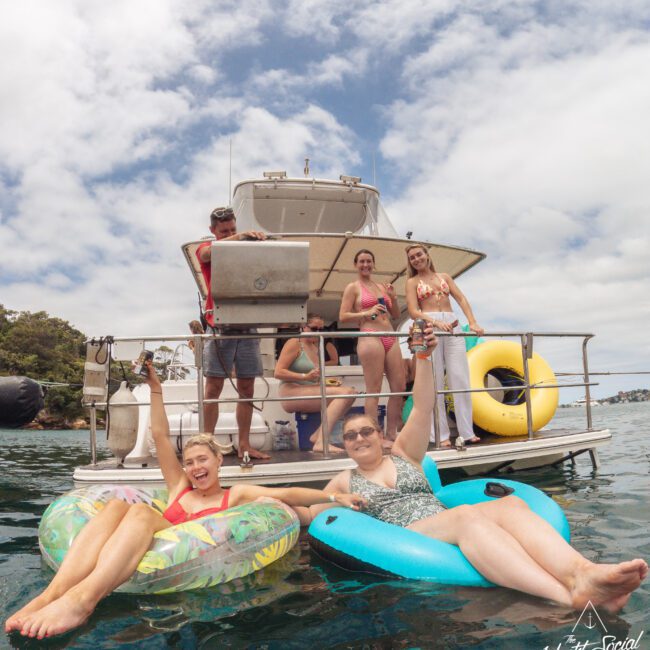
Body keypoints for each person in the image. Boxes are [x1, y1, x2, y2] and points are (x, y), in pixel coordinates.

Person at [299, 325, 648, 613]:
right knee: (466, 516)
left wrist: (423, 358)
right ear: (344, 444)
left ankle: (582, 572)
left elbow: (422, 407)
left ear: (378, 434)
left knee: (510, 504)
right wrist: (262, 502)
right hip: (407, 532)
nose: (359, 438)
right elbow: (310, 511)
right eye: (349, 435)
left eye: (365, 431)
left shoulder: (404, 454)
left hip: (438, 519)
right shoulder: (344, 479)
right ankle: (567, 597)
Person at [5, 363, 366, 640]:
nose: (195, 468)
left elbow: (285, 495)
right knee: (117, 506)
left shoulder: (233, 495)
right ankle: (51, 595)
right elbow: (160, 435)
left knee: (142, 515)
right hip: (145, 539)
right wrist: (156, 388)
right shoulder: (179, 487)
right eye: (190, 462)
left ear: (218, 461)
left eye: (202, 460)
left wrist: (333, 495)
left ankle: (82, 600)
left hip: (182, 552)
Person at [196, 206, 269, 460]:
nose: (229, 233)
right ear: (213, 231)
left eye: (233, 229)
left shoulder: (247, 250)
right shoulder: (207, 248)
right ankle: (206, 445)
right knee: (213, 387)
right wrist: (239, 238)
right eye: (224, 231)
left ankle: (245, 444)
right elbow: (204, 254)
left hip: (248, 324)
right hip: (219, 325)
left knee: (247, 387)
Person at [405, 244, 482, 447]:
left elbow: (461, 298)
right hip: (429, 327)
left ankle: (467, 431)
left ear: (427, 255)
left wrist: (472, 322)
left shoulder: (445, 277)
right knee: (435, 381)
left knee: (460, 378)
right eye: (412, 257)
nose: (416, 259)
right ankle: (440, 435)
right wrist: (435, 322)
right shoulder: (412, 282)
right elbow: (413, 311)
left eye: (419, 254)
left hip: (453, 326)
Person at [339, 249, 406, 446]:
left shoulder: (381, 287)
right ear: (355, 265)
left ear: (373, 264)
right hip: (370, 336)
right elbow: (343, 316)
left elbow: (394, 314)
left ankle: (392, 432)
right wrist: (366, 312)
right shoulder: (353, 287)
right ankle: (375, 436)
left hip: (390, 335)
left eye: (369, 261)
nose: (365, 265)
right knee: (374, 389)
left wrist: (393, 298)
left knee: (398, 388)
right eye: (361, 261)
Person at [275, 314, 357, 453]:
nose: (318, 333)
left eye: (321, 329)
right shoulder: (294, 343)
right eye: (314, 329)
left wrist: (327, 382)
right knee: (346, 393)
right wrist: (304, 376)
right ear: (303, 327)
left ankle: (318, 435)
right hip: (290, 391)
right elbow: (278, 372)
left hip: (306, 388)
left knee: (351, 392)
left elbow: (313, 377)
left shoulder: (315, 346)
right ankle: (321, 441)